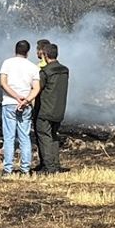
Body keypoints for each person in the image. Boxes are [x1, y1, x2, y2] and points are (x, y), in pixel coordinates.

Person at [0, 40, 40, 175]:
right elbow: (36, 88)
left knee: (9, 137)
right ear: (27, 52)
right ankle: (25, 169)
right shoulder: (33, 67)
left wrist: (16, 97)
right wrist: (26, 100)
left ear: (15, 50)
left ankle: (8, 169)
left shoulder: (7, 63)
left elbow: (3, 83)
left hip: (9, 103)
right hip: (26, 106)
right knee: (24, 137)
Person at [36, 43, 69, 174]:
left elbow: (37, 88)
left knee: (44, 137)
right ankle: (55, 164)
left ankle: (49, 167)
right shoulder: (64, 70)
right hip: (59, 110)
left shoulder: (45, 72)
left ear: (45, 55)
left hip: (45, 110)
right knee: (54, 136)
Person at [32, 38, 52, 171]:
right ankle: (46, 162)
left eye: (37, 50)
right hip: (51, 105)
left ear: (41, 50)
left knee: (42, 136)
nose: (36, 53)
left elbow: (36, 87)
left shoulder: (41, 67)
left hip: (41, 105)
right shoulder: (54, 66)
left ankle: (46, 164)